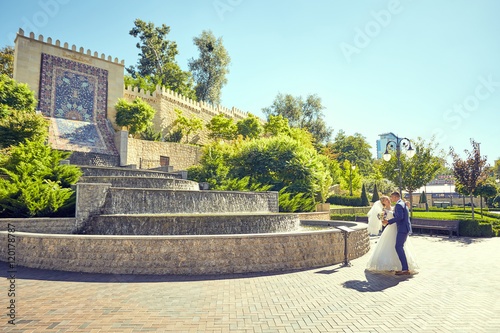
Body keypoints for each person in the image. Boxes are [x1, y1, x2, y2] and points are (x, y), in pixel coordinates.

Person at [366, 193, 418, 274]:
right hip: (392, 228)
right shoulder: (384, 211)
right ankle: (399, 266)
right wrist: (385, 221)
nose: (389, 199)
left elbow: (400, 216)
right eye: (387, 199)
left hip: (399, 228)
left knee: (398, 247)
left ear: (395, 197)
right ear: (384, 203)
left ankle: (404, 268)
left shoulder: (397, 206)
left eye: (390, 198)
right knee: (395, 247)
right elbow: (384, 223)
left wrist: (389, 221)